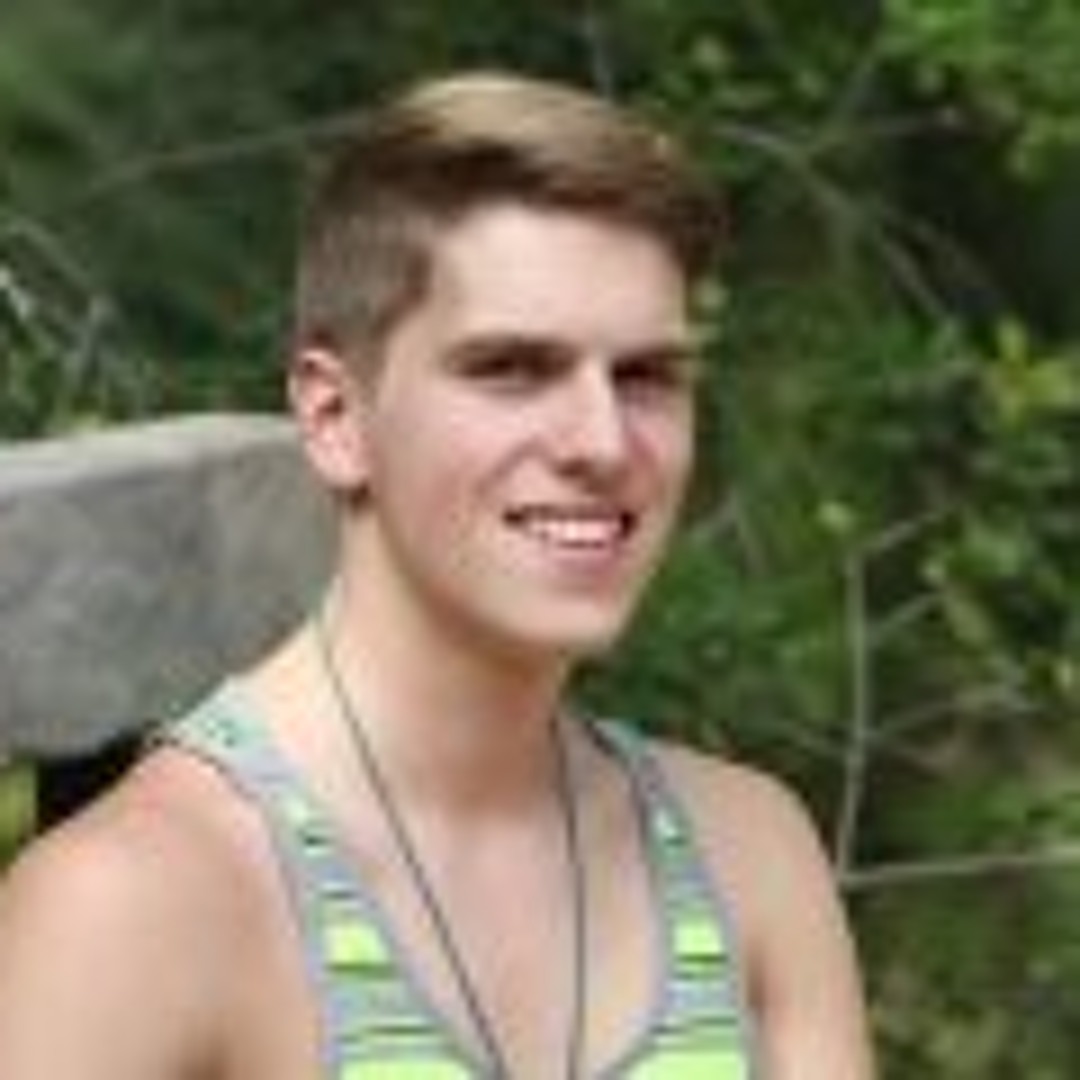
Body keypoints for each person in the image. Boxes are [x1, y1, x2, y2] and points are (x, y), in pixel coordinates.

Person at [0, 71, 873, 1078]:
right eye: (513, 369)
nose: (602, 442)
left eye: (646, 376)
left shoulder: (750, 857)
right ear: (336, 419)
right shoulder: (134, 906)